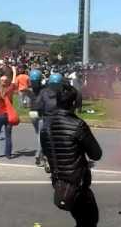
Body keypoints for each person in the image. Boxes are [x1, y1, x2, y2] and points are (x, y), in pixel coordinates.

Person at [40, 83, 102, 227]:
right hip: (77, 184)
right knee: (89, 221)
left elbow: (48, 153)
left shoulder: (46, 126)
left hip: (59, 183)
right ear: (74, 103)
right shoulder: (77, 125)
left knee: (81, 219)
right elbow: (96, 154)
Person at [0, 66, 17, 159]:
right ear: (7, 82)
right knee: (8, 135)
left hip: (0, 114)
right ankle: (8, 154)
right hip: (8, 115)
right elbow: (13, 81)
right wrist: (14, 71)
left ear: (0, 82)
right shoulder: (10, 89)